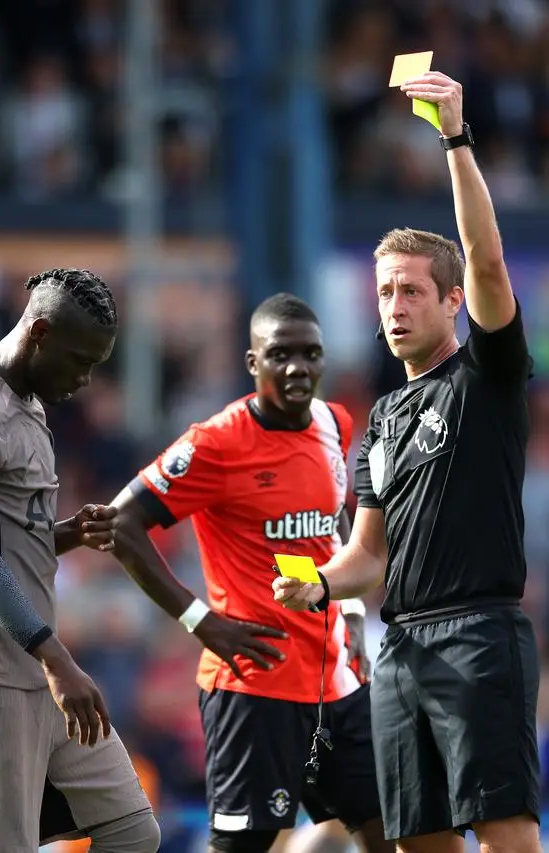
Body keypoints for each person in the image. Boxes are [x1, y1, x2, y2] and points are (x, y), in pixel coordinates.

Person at [273, 72, 541, 853]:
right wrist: (320, 582)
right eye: (386, 291)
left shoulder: (486, 378)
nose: (395, 305)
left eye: (413, 291)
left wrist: (454, 138)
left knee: (506, 836)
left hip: (480, 635)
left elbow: (488, 261)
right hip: (401, 648)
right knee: (414, 844)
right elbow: (370, 553)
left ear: (453, 301)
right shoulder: (383, 416)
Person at [108, 293, 394, 853]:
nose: (298, 368)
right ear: (252, 362)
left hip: (335, 681)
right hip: (254, 687)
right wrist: (199, 619)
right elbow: (122, 524)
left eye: (311, 354)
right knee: (245, 847)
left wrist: (353, 610)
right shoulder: (216, 443)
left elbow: (326, 530)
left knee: (392, 831)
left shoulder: (333, 425)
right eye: (281, 354)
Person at [0, 268, 159, 853]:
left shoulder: (30, 405)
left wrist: (69, 533)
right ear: (39, 331)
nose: (86, 379)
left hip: (31, 673)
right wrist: (57, 659)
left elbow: (11, 539)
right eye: (79, 361)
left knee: (132, 833)